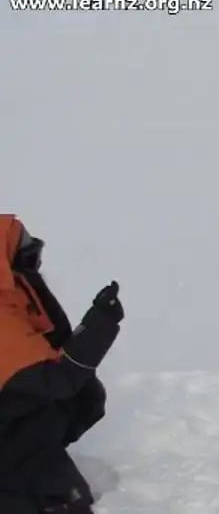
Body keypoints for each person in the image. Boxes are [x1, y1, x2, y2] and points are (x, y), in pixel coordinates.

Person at [0, 214, 124, 514]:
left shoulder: (10, 305)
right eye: (27, 257)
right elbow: (58, 378)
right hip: (12, 443)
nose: (34, 266)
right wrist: (101, 324)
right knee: (67, 501)